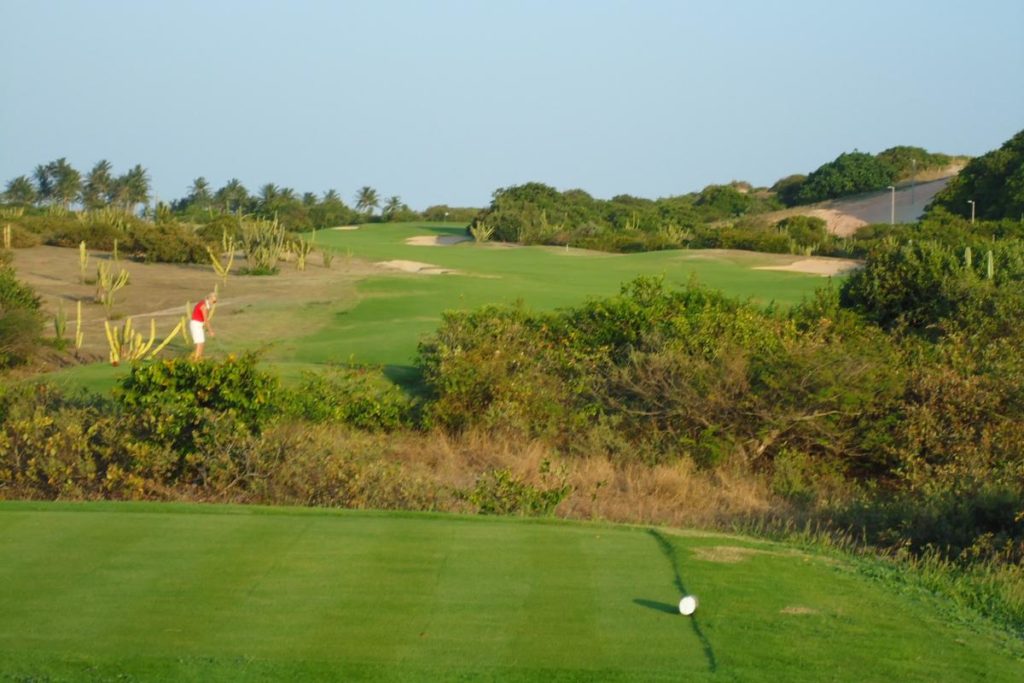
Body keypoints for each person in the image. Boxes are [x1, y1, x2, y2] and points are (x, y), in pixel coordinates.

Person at [190, 292, 217, 360]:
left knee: (201, 343)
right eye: (214, 301)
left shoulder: (206, 305)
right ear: (210, 299)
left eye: (215, 301)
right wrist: (211, 331)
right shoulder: (204, 306)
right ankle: (196, 361)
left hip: (199, 325)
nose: (214, 303)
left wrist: (206, 328)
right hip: (196, 325)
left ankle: (199, 359)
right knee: (199, 344)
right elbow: (206, 320)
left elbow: (204, 320)